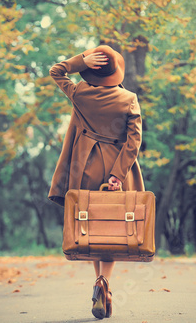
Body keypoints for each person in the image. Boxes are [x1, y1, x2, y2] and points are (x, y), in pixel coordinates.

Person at [47, 44, 145, 319]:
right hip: (118, 171)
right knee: (111, 229)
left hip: (85, 168)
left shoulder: (80, 94)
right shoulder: (129, 99)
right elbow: (134, 140)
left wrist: (80, 61)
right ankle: (104, 284)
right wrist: (117, 174)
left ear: (92, 72)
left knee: (91, 227)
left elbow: (56, 71)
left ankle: (99, 284)